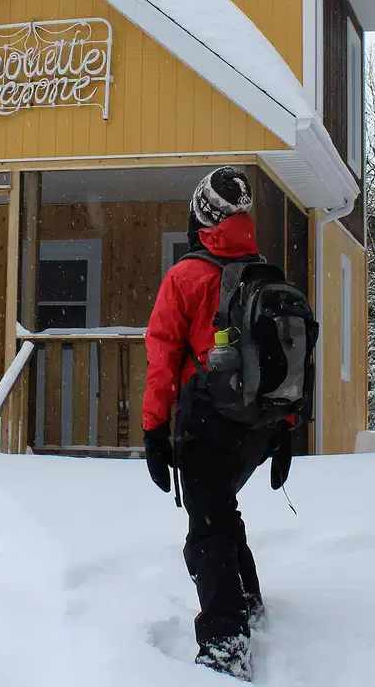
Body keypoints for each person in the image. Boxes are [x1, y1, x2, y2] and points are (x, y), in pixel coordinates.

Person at [142, 166, 295, 681]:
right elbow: (291, 356)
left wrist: (152, 431)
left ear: (201, 216)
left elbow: (162, 358)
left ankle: (226, 644)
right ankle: (247, 600)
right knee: (220, 514)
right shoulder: (267, 276)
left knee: (206, 534)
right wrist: (286, 427)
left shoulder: (185, 277)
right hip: (258, 426)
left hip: (207, 422)